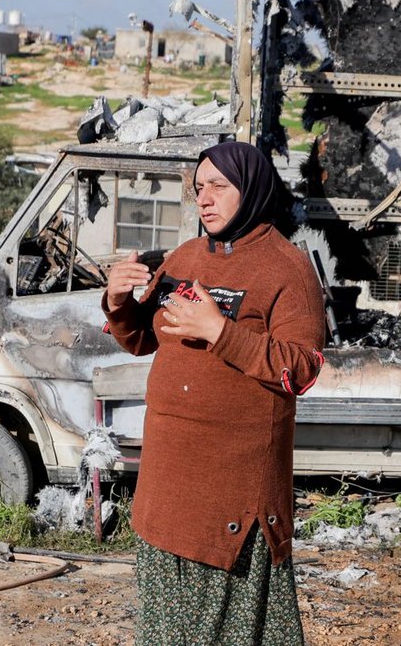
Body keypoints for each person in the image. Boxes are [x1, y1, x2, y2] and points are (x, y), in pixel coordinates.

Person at [104, 140, 326, 645]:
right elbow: (142, 337)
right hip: (168, 488)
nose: (204, 198)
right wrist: (118, 302)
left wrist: (220, 331)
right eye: (199, 187)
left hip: (232, 494)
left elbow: (302, 370)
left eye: (219, 187)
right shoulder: (185, 257)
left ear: (250, 190)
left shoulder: (286, 268)